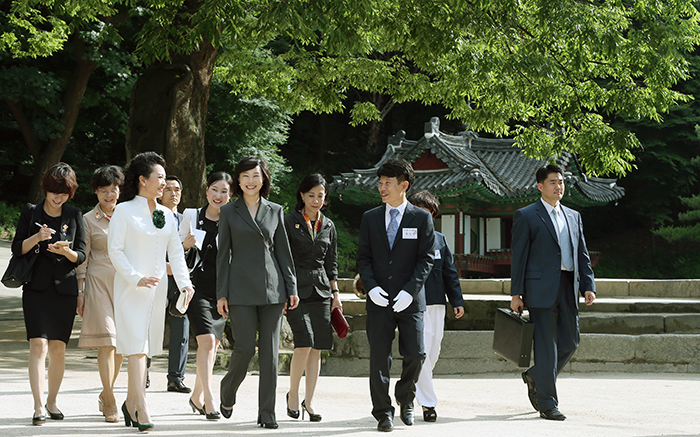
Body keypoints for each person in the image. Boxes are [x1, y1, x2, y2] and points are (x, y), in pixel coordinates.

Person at [108, 152, 194, 432]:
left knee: (145, 348)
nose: (164, 183)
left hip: (158, 290)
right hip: (131, 289)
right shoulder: (123, 210)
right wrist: (135, 277)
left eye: (165, 178)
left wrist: (185, 283)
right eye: (159, 178)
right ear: (143, 180)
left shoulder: (167, 214)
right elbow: (115, 250)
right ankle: (141, 405)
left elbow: (176, 252)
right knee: (136, 346)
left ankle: (131, 401)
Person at [216, 156, 298, 429]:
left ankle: (267, 413)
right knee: (244, 347)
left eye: (256, 176)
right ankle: (228, 390)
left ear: (263, 179)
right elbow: (223, 255)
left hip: (273, 289)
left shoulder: (275, 210)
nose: (251, 181)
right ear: (238, 180)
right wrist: (222, 293)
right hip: (239, 289)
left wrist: (291, 287)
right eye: (245, 176)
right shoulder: (228, 211)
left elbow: (283, 252)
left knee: (270, 353)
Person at [510, 164, 596, 421]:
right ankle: (548, 404)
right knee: (547, 346)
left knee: (571, 342)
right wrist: (517, 293)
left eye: (561, 182)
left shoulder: (573, 216)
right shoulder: (526, 215)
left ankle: (536, 375)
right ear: (540, 186)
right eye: (552, 182)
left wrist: (588, 285)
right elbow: (519, 257)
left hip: (568, 286)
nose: (559, 186)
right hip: (539, 289)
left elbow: (582, 253)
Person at [356, 158, 435, 432]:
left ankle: (405, 398)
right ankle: (382, 412)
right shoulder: (370, 218)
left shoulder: (422, 218)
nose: (382, 188)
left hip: (409, 300)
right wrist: (371, 286)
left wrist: (410, 292)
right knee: (379, 358)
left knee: (416, 353)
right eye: (379, 183)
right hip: (379, 300)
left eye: (387, 183)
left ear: (404, 185)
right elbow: (363, 258)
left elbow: (426, 260)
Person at [11, 162, 86, 426]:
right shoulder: (31, 212)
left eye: (64, 193)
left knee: (58, 348)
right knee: (38, 345)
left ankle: (53, 400)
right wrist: (37, 237)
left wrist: (67, 252)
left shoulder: (75, 215)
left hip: (64, 289)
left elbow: (82, 254)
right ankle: (38, 405)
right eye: (54, 191)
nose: (58, 197)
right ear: (46, 188)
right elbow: (17, 247)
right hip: (36, 289)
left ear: (70, 194)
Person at [283, 174, 342, 423]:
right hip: (295, 290)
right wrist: (286, 290)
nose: (316, 200)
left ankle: (310, 401)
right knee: (303, 342)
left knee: (317, 347)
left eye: (321, 195)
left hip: (321, 292)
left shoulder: (328, 225)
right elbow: (282, 258)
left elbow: (332, 262)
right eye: (311, 195)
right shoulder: (289, 221)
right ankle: (293, 395)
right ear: (302, 195)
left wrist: (336, 294)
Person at [406, 190, 465, 423]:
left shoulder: (440, 239)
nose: (424, 216)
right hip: (412, 304)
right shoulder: (404, 237)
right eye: (419, 210)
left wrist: (457, 301)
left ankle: (410, 388)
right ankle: (428, 403)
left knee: (433, 352)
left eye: (428, 212)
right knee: (420, 352)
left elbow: (450, 272)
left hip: (437, 303)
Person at [180, 171, 233, 420]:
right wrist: (186, 244)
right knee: (207, 342)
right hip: (196, 286)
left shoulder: (233, 220)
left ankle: (196, 396)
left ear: (231, 195)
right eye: (214, 189)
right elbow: (174, 251)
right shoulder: (191, 215)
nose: (218, 195)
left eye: (224, 191)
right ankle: (210, 399)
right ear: (206, 191)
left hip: (222, 290)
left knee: (213, 346)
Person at [76, 165, 124, 423]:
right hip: (97, 283)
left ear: (119, 190)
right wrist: (80, 291)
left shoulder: (127, 215)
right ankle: (110, 400)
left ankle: (106, 393)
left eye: (113, 190)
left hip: (124, 286)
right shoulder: (87, 219)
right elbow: (83, 258)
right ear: (95, 192)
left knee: (118, 346)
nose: (109, 195)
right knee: (107, 342)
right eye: (103, 190)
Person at [160, 175, 192, 394]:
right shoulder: (153, 217)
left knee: (181, 329)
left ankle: (176, 378)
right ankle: (143, 374)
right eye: (169, 189)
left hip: (181, 281)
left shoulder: (186, 220)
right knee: (150, 327)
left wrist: (187, 248)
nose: (173, 193)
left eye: (177, 190)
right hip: (157, 278)